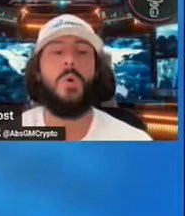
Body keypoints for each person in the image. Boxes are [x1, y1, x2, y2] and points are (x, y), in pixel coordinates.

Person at [21, 14, 152, 141]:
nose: (70, 60)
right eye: (58, 52)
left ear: (97, 70)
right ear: (37, 70)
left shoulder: (134, 140)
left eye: (82, 52)